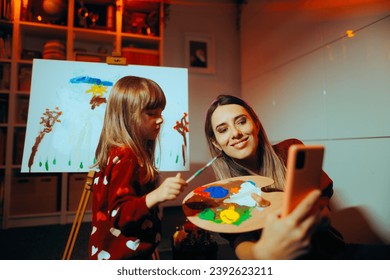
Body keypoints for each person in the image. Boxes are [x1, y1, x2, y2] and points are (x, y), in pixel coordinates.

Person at [204, 94, 390, 260]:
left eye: (241, 121)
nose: (235, 133)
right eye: (223, 130)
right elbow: (241, 245)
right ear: (216, 143)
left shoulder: (290, 151)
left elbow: (323, 208)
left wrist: (319, 216)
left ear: (256, 124)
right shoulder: (223, 193)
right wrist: (261, 254)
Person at [89, 76, 188, 260]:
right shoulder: (126, 156)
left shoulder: (125, 152)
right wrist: (157, 194)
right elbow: (119, 215)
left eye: (160, 113)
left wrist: (148, 246)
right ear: (128, 116)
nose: (160, 120)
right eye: (152, 114)